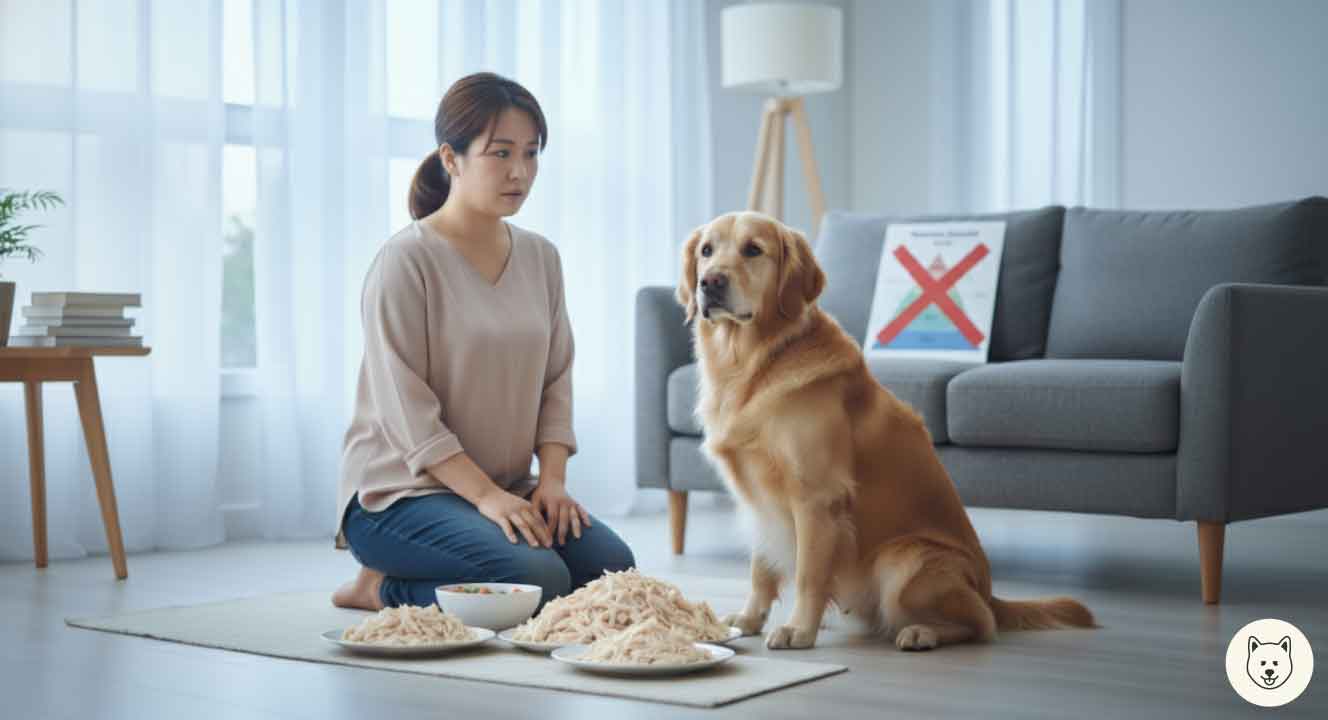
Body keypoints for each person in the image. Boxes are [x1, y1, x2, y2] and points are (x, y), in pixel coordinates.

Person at [332, 72, 635, 612]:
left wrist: (553, 482)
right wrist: (488, 498)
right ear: (451, 158)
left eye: (531, 153)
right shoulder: (406, 261)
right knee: (538, 579)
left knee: (612, 572)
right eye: (500, 153)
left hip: (506, 489)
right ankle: (380, 588)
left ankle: (484, 554)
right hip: (399, 498)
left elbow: (557, 378)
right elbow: (409, 415)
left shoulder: (541, 257)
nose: (520, 172)